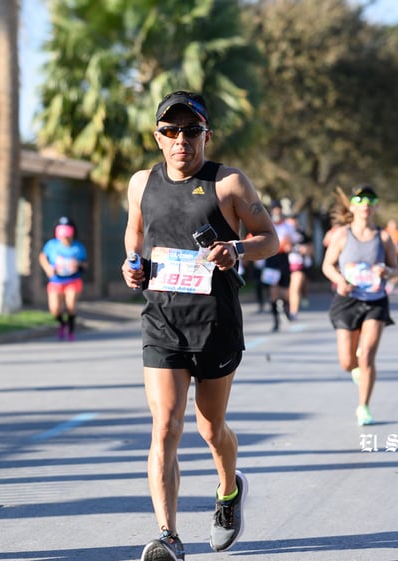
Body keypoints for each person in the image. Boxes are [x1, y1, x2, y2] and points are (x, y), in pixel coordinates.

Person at [121, 90, 279, 561]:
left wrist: (238, 250)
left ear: (206, 135)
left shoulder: (228, 183)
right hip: (162, 322)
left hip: (215, 325)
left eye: (191, 131)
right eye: (171, 131)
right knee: (165, 425)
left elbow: (269, 238)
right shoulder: (140, 184)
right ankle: (168, 535)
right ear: (158, 137)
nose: (181, 140)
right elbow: (135, 234)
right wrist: (130, 266)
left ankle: (229, 492)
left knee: (211, 429)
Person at [322, 185, 397, 427]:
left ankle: (363, 406)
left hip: (375, 301)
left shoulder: (384, 237)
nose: (365, 204)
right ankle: (355, 369)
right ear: (353, 205)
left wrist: (386, 270)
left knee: (366, 356)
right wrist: (340, 280)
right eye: (360, 199)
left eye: (370, 200)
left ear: (375, 206)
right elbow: (328, 265)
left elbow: (396, 270)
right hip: (348, 300)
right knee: (347, 362)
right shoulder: (342, 235)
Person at [39, 217, 87, 341]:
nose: (65, 237)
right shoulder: (52, 245)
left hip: (73, 281)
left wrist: (78, 264)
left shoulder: (78, 247)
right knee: (55, 309)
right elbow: (42, 257)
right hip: (55, 281)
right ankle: (62, 323)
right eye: (62, 233)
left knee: (70, 306)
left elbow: (85, 264)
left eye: (67, 233)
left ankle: (70, 331)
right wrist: (48, 268)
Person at [265, 201, 295, 331]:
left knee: (284, 292)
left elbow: (292, 241)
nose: (276, 212)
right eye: (274, 209)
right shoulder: (267, 225)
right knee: (273, 291)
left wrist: (288, 245)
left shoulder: (288, 226)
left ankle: (286, 308)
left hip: (283, 260)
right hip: (271, 259)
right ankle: (275, 321)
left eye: (278, 209)